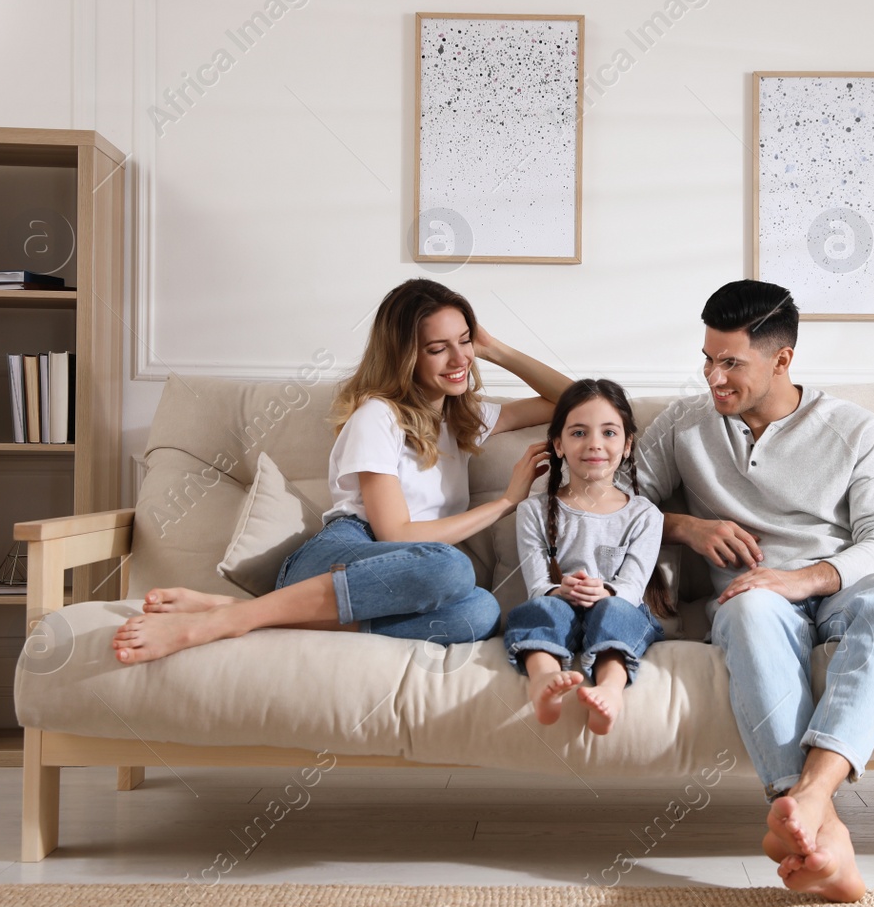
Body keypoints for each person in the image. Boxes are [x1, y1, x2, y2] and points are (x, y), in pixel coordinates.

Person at [633, 279, 874, 903]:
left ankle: (809, 802)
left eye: (731, 363)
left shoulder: (854, 429)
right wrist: (685, 526)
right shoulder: (687, 423)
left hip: (838, 589)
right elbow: (613, 503)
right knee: (743, 608)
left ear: (782, 360)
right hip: (755, 599)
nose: (714, 377)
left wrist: (806, 577)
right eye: (708, 360)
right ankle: (821, 827)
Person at [111, 278, 569, 664]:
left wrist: (495, 349)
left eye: (464, 341)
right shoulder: (378, 416)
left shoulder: (464, 417)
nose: (459, 359)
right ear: (406, 355)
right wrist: (507, 502)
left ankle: (251, 611)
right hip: (339, 556)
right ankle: (229, 621)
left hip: (390, 581)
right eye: (437, 348)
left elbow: (573, 399)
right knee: (451, 568)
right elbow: (395, 534)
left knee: (480, 613)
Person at [503, 379, 664, 735]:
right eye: (578, 433)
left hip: (618, 606)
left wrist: (603, 592)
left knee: (615, 611)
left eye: (609, 432)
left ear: (626, 446)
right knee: (539, 611)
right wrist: (560, 591)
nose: (594, 444)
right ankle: (544, 680)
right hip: (559, 606)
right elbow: (538, 587)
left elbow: (633, 588)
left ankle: (609, 687)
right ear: (558, 444)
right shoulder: (532, 511)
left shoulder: (645, 515)